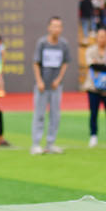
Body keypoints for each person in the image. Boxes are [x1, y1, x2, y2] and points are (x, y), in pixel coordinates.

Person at [31, 16, 71, 155]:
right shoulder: (42, 43)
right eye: (54, 26)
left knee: (55, 115)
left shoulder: (63, 44)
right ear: (49, 27)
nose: (56, 29)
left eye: (59, 26)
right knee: (40, 115)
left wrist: (59, 79)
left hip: (55, 87)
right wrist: (39, 81)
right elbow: (36, 63)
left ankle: (50, 143)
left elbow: (65, 62)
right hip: (42, 86)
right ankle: (36, 144)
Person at [82, 28, 106, 147]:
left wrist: (99, 66)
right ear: (96, 38)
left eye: (104, 36)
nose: (102, 39)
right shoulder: (90, 50)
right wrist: (104, 66)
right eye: (99, 36)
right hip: (93, 87)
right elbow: (91, 65)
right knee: (93, 113)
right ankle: (93, 136)